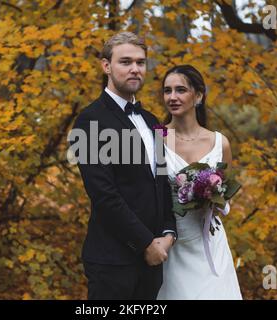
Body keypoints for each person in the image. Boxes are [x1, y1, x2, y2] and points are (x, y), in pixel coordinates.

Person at [69, 32, 177, 300]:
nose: (135, 69)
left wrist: (168, 232)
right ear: (106, 66)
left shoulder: (153, 122)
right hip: (112, 261)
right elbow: (103, 194)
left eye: (140, 63)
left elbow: (161, 184)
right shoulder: (90, 121)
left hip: (153, 263)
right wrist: (144, 243)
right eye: (125, 62)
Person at [157, 65, 242, 300]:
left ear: (198, 95)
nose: (172, 97)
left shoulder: (219, 142)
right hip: (173, 244)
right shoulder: (155, 139)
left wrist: (211, 197)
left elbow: (224, 193)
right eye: (167, 91)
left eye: (180, 90)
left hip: (210, 243)